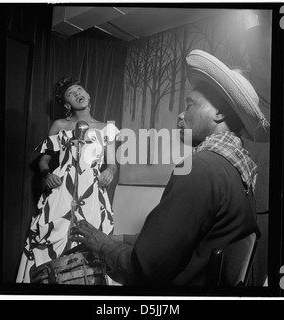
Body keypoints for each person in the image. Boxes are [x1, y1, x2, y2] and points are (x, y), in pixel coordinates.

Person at [69, 49, 270, 286]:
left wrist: (102, 245)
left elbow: (143, 270)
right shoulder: (236, 169)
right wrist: (119, 238)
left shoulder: (200, 169)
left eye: (190, 104)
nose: (181, 114)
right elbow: (176, 240)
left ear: (220, 113)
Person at [16, 77, 120, 283]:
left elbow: (112, 164)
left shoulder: (107, 128)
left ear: (88, 95)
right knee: (52, 237)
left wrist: (110, 171)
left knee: (91, 243)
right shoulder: (59, 125)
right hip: (62, 190)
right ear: (66, 104)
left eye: (80, 89)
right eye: (71, 93)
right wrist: (47, 174)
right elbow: (43, 160)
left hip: (92, 192)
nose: (77, 94)